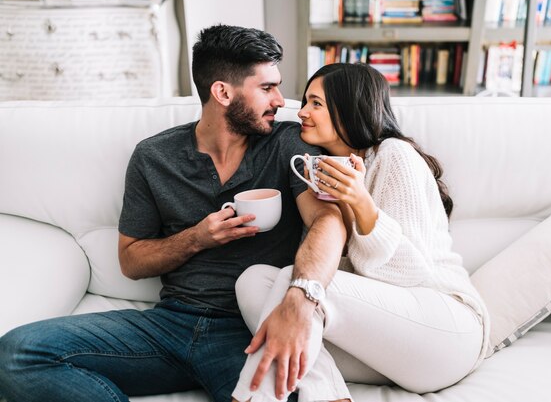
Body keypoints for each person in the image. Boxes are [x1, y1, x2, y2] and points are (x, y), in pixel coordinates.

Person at [0, 25, 346, 402]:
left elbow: (327, 222)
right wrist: (196, 238)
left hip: (247, 329)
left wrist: (300, 299)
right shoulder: (154, 157)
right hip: (169, 325)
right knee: (17, 354)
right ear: (223, 92)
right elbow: (131, 260)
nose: (281, 100)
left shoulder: (289, 143)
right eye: (267, 88)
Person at [233, 63, 490, 402]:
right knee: (254, 281)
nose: (303, 113)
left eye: (315, 103)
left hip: (446, 330)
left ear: (350, 108)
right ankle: (330, 396)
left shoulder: (393, 156)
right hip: (386, 346)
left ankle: (247, 399)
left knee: (299, 282)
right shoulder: (322, 171)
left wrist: (361, 203)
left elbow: (412, 274)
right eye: (305, 102)